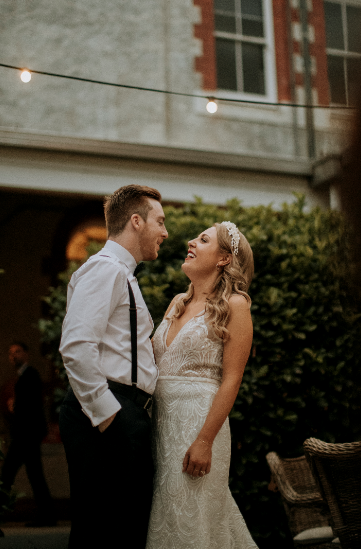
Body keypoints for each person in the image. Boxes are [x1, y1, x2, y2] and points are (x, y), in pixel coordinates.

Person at [59, 184, 168, 549]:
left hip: (124, 413)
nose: (165, 232)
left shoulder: (121, 274)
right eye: (160, 222)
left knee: (122, 529)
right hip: (109, 414)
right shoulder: (105, 270)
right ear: (136, 221)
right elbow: (76, 345)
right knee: (104, 532)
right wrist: (110, 417)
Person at [146, 221, 258, 549]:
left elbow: (232, 378)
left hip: (199, 427)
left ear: (224, 258)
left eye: (203, 239)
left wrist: (205, 441)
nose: (191, 242)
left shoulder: (236, 306)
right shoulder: (177, 302)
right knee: (165, 516)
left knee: (191, 520)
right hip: (161, 426)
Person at [0, 342, 56, 527]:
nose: (13, 355)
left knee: (9, 474)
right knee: (31, 475)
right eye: (11, 353)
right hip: (26, 434)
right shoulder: (24, 376)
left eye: (17, 351)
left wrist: (15, 406)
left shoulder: (30, 374)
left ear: (26, 354)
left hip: (26, 435)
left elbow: (31, 404)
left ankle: (47, 516)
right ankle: (48, 516)